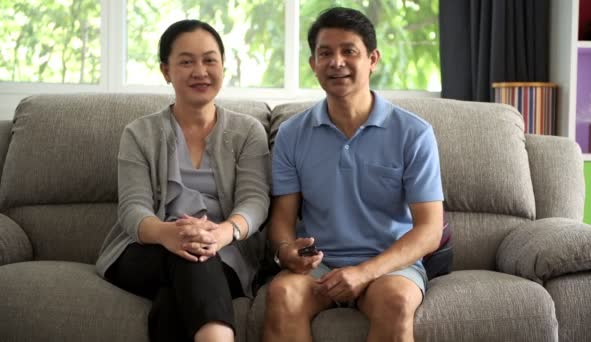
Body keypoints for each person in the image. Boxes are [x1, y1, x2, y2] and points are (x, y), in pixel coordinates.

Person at [263, 7, 444, 342]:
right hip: (318, 266)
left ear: (372, 59)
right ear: (312, 65)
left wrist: (365, 272)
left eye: (349, 51)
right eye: (325, 53)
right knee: (282, 294)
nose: (336, 62)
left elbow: (430, 230)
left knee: (397, 300)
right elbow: (282, 218)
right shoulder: (292, 133)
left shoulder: (414, 133)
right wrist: (287, 250)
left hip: (388, 266)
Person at [95, 19, 270, 342]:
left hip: (226, 248)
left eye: (209, 60)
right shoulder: (139, 133)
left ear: (223, 66)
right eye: (186, 61)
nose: (200, 71)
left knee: (184, 280)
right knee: (193, 256)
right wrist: (167, 234)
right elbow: (133, 208)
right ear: (166, 70)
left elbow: (256, 202)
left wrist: (222, 232)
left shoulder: (247, 132)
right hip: (146, 248)